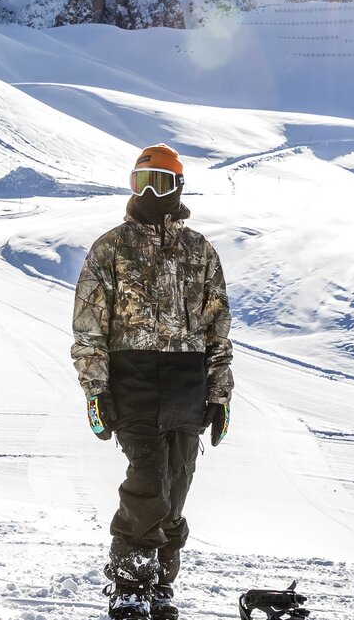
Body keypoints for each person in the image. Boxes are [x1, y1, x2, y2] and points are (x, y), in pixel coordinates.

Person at [71, 144, 234, 620]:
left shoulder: (199, 250)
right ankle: (129, 582)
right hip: (134, 381)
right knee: (147, 482)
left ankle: (162, 582)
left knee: (177, 485)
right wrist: (96, 391)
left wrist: (220, 393)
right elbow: (88, 329)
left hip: (187, 384)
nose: (147, 192)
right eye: (139, 181)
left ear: (177, 186)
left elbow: (217, 328)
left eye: (159, 182)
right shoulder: (111, 247)